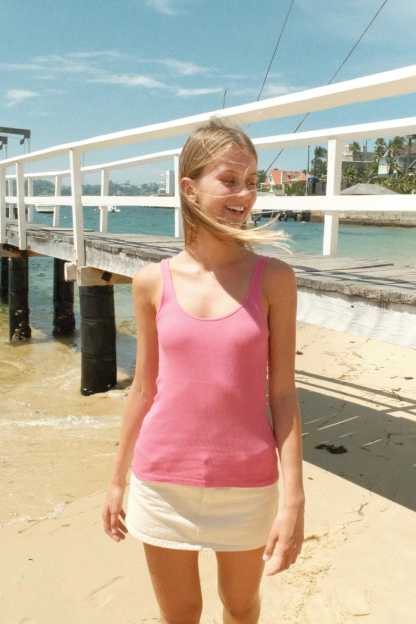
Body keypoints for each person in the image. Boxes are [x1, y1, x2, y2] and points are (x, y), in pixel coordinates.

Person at [102, 118, 305, 624]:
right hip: (161, 481)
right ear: (190, 189)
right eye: (229, 180)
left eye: (251, 181)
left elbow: (282, 394)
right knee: (180, 614)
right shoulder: (151, 282)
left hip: (248, 485)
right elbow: (143, 389)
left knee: (241, 607)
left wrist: (293, 499)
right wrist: (116, 480)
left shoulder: (274, 280)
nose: (245, 194)